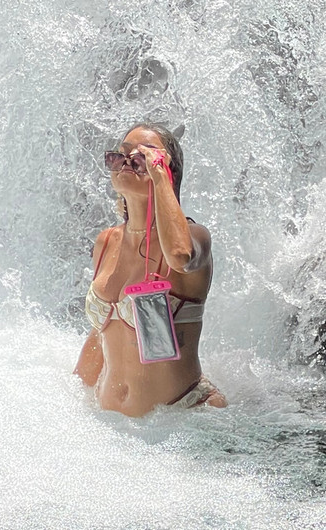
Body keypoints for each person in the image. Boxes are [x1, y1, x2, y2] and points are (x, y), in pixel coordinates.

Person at [74, 122, 226, 416]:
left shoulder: (196, 238)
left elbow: (179, 256)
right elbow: (100, 333)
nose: (127, 163)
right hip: (112, 425)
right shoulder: (106, 242)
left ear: (169, 172)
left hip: (179, 421)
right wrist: (72, 402)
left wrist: (159, 177)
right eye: (120, 155)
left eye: (142, 157)